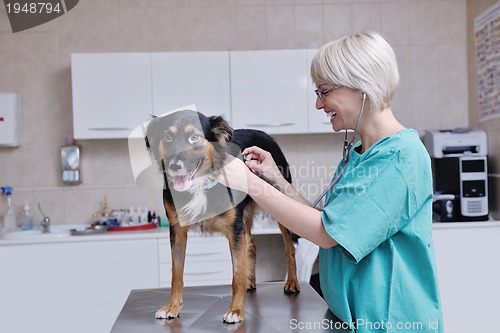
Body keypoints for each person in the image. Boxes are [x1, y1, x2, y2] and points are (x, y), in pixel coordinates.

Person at [217, 31, 443, 333]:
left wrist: (248, 183)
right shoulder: (361, 152)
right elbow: (329, 221)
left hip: (391, 324)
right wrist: (274, 179)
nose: (319, 105)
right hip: (350, 320)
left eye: (324, 92)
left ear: (362, 86)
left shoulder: (400, 158)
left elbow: (326, 234)